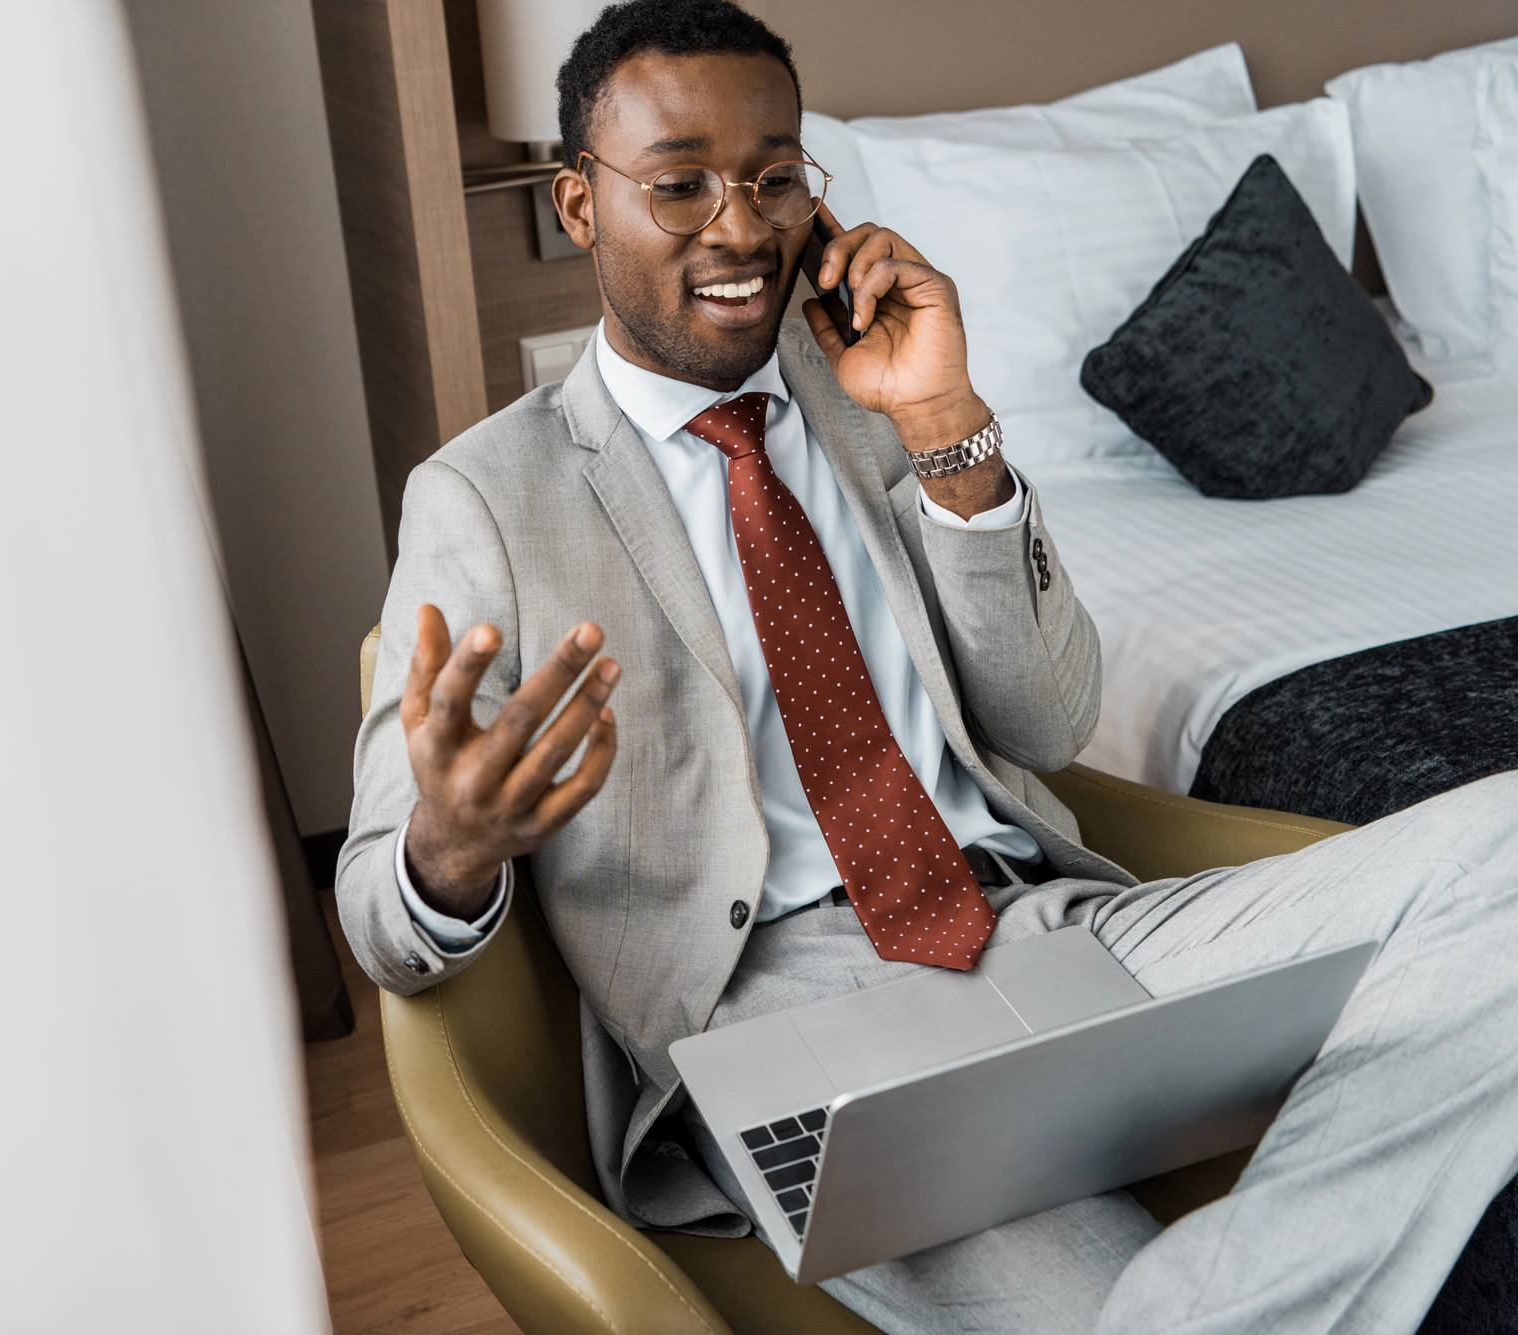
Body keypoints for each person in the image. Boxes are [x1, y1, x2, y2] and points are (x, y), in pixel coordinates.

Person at [335, 2, 1518, 1330]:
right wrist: (450, 847)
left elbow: (1052, 716)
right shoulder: (485, 497)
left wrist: (950, 425)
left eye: (776, 176)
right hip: (788, 1015)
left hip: (1047, 923)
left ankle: (1213, 1301)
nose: (739, 227)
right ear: (577, 204)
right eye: (677, 185)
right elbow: (381, 917)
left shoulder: (875, 394)